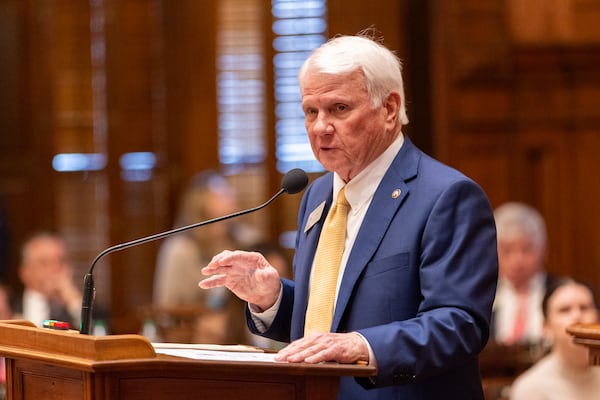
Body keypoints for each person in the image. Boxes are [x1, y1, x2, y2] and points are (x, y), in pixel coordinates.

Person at [200, 32, 498, 399]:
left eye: (339, 108)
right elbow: (330, 319)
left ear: (389, 109)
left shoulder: (446, 196)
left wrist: (363, 346)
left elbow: (459, 323)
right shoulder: (316, 195)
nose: (320, 127)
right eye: (311, 111)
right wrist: (272, 297)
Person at [152, 171, 260, 344]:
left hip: (241, 334)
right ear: (201, 201)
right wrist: (207, 314)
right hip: (191, 336)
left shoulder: (246, 240)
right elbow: (166, 306)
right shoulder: (180, 249)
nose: (231, 196)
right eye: (222, 193)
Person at [510, 277, 600, 399]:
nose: (577, 316)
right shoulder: (530, 388)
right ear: (546, 327)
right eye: (565, 310)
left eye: (584, 308)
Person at [491, 202, 554, 346]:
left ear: (544, 250)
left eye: (526, 249)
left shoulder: (562, 291)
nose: (517, 260)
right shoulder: (482, 295)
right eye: (507, 250)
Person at [15, 232, 82, 328]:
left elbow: (95, 333)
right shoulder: (7, 307)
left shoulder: (73, 310)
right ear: (25, 272)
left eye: (60, 261)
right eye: (44, 263)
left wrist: (73, 301)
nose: (54, 268)